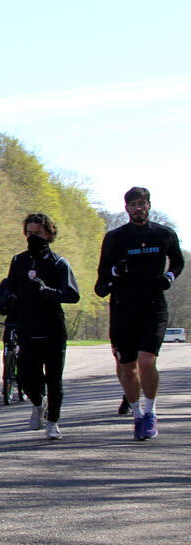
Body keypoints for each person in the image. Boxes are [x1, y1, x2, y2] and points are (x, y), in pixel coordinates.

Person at [94, 187, 184, 440]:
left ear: (149, 205)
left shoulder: (164, 234)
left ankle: (151, 412)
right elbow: (102, 276)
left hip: (153, 305)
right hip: (123, 307)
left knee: (147, 361)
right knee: (127, 367)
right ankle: (136, 415)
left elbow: (178, 262)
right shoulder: (115, 238)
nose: (138, 208)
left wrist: (169, 276)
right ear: (127, 209)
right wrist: (115, 272)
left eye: (142, 203)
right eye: (133, 204)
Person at [4, 214, 80, 439]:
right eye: (29, 233)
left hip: (53, 329)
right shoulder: (19, 261)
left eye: (38, 233)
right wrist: (7, 303)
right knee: (26, 377)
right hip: (27, 327)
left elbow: (73, 294)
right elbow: (11, 288)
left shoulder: (58, 262)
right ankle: (39, 403)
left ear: (48, 233)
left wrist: (50, 292)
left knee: (54, 379)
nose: (33, 237)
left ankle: (53, 422)